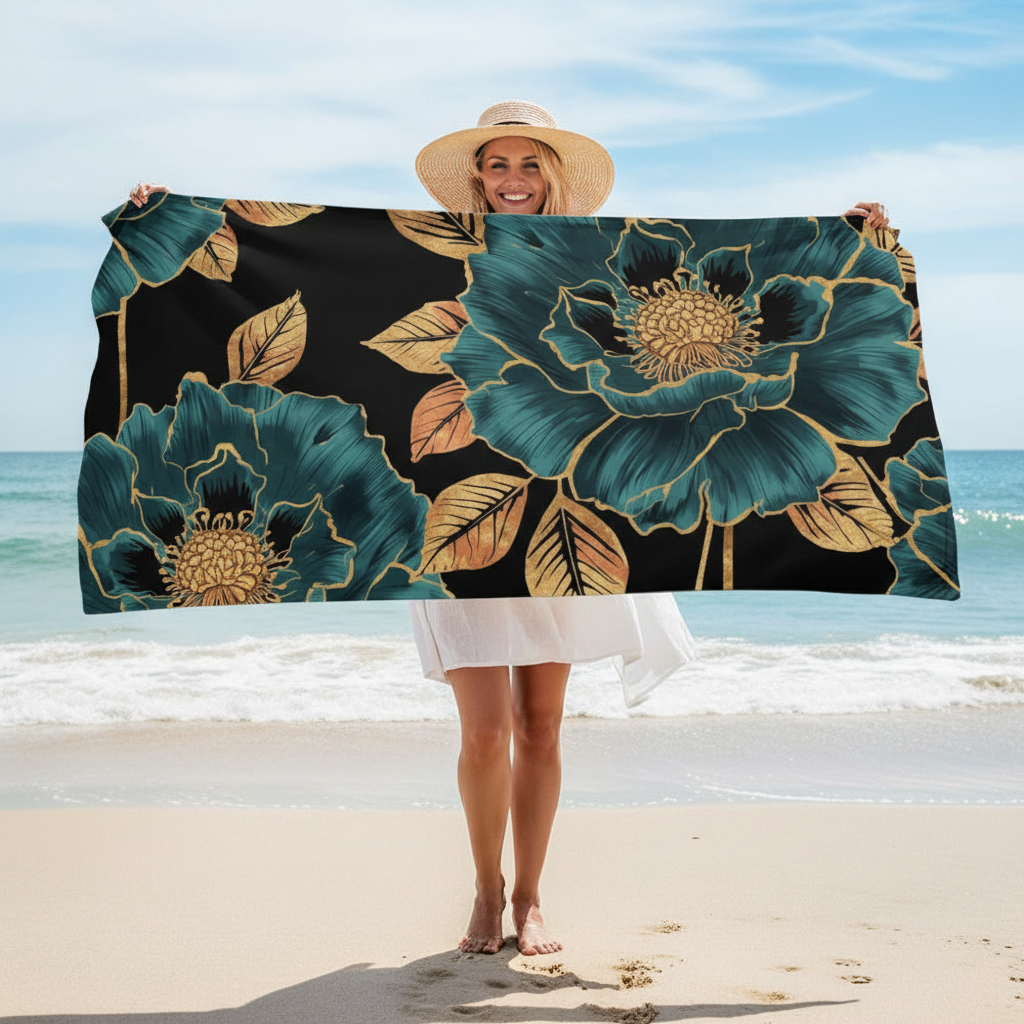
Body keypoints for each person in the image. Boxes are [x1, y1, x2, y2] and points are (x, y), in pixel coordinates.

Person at [127, 103, 889, 959]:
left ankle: (530, 897)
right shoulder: (427, 252)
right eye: (498, 166)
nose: (514, 179)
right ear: (480, 176)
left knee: (541, 727)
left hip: (560, 513)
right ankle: (485, 889)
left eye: (529, 164)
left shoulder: (599, 254)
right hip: (463, 520)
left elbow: (744, 270)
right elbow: (313, 282)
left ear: (551, 174)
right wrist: (173, 226)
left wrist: (845, 235)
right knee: (484, 731)